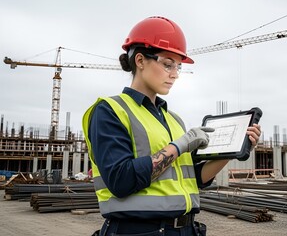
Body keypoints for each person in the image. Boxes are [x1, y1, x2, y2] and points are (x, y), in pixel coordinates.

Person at [82, 16, 261, 236]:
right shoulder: (110, 111)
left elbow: (193, 179)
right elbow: (121, 180)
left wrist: (233, 150)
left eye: (178, 67)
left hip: (185, 229)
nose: (175, 74)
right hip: (137, 231)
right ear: (140, 60)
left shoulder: (173, 119)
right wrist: (181, 145)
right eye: (168, 64)